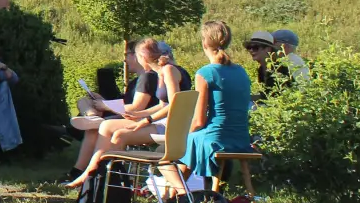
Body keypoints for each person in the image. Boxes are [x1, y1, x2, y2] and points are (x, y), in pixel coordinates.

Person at [64, 39, 190, 188]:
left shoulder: (168, 71)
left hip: (170, 126)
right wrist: (139, 115)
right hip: (165, 122)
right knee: (110, 129)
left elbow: (174, 105)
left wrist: (146, 120)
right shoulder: (164, 72)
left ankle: (96, 177)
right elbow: (163, 105)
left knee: (108, 128)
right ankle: (97, 177)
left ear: (142, 57)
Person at [182, 21, 254, 185]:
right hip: (241, 139)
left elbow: (199, 121)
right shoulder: (241, 71)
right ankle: (175, 196)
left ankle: (173, 196)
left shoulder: (206, 73)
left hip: (216, 138)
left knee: (182, 145)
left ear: (204, 42)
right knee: (192, 142)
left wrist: (183, 135)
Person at [69, 40, 154, 176]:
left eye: (127, 55)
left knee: (93, 130)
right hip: (127, 115)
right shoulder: (138, 80)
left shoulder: (146, 78)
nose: (125, 60)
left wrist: (105, 105)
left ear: (137, 55)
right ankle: (92, 117)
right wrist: (104, 102)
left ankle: (80, 171)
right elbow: (127, 103)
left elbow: (136, 108)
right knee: (84, 101)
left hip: (134, 119)